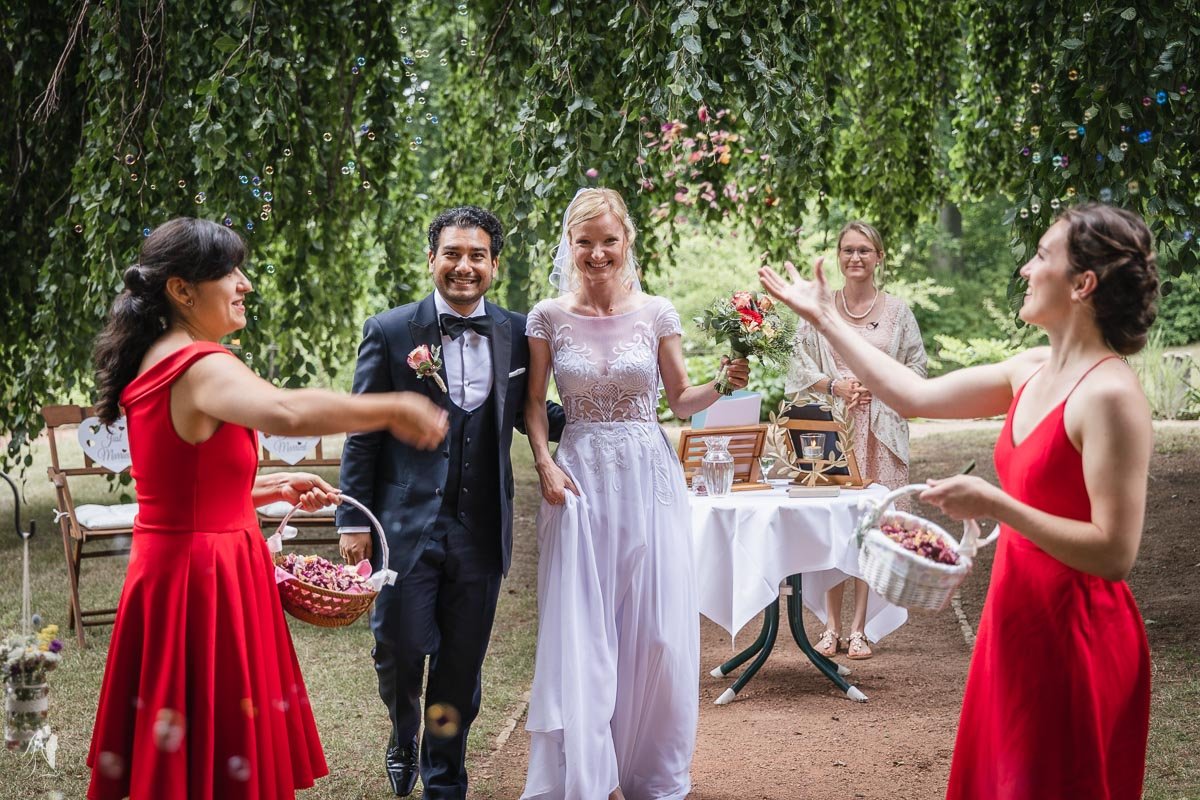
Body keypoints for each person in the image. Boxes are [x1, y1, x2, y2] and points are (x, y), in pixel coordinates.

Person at [759, 203, 1156, 800]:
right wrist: (824, 318)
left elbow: (1114, 553)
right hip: (1014, 617)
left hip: (1077, 634)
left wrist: (997, 506)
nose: (1025, 268)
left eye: (1042, 256)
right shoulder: (1028, 369)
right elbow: (913, 395)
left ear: (1083, 284)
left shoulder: (1110, 396)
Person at [86, 217, 448, 800]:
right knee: (216, 743)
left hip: (172, 567)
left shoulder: (156, 357)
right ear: (182, 290)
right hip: (205, 582)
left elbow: (179, 486)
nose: (245, 283)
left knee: (187, 749)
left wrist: (266, 487)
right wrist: (394, 407)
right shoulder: (202, 365)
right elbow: (284, 411)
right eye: (228, 271)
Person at [521, 188, 750, 800]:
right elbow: (536, 407)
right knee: (584, 624)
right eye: (585, 241)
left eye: (609, 241)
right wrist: (544, 462)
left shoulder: (658, 312)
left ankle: (650, 772)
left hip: (647, 474)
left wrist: (721, 384)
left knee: (655, 631)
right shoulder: (545, 315)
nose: (598, 253)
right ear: (569, 246)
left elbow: (680, 402)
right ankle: (586, 773)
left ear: (627, 243)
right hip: (578, 479)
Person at [336, 206, 566, 799]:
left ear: (494, 264)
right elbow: (363, 433)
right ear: (431, 259)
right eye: (453, 254)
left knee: (460, 668)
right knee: (400, 648)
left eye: (477, 256)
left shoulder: (519, 332)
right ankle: (401, 729)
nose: (465, 267)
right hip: (403, 527)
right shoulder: (389, 332)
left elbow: (531, 412)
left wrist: (602, 420)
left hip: (481, 528)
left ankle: (445, 779)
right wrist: (351, 519)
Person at [787, 220, 926, 660]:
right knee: (834, 526)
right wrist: (834, 385)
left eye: (865, 250)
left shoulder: (899, 313)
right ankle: (829, 627)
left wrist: (881, 386)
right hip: (831, 432)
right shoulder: (819, 308)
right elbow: (796, 365)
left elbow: (918, 369)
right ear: (838, 255)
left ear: (879, 256)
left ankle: (860, 627)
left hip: (880, 434)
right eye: (847, 250)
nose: (855, 258)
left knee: (873, 528)